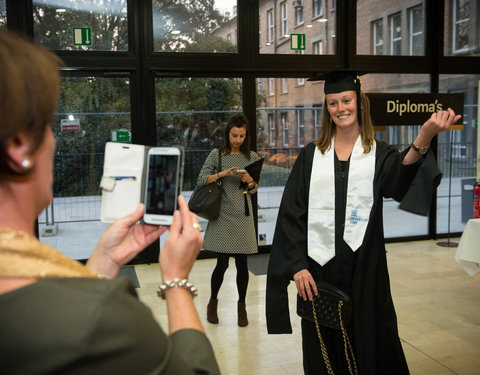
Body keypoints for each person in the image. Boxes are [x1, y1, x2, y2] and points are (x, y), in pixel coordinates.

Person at [0, 30, 220, 374]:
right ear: (18, 147)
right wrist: (176, 280)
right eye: (46, 126)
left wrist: (103, 261)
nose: (54, 141)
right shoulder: (104, 318)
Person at [265, 70, 461, 374]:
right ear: (326, 109)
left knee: (369, 341)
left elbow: (397, 184)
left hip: (365, 270)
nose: (341, 108)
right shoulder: (311, 156)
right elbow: (291, 214)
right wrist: (296, 265)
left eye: (346, 100)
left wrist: (424, 137)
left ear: (359, 103)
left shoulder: (378, 153)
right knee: (323, 348)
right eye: (333, 103)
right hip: (319, 271)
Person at [196, 113, 261, 327]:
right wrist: (223, 174)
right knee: (222, 264)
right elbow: (201, 179)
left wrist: (250, 180)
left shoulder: (252, 156)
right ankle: (212, 303)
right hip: (222, 214)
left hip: (242, 214)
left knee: (242, 264)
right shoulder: (218, 154)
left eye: (242, 135)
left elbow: (254, 190)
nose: (238, 139)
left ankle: (241, 308)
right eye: (234, 135)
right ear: (228, 134)